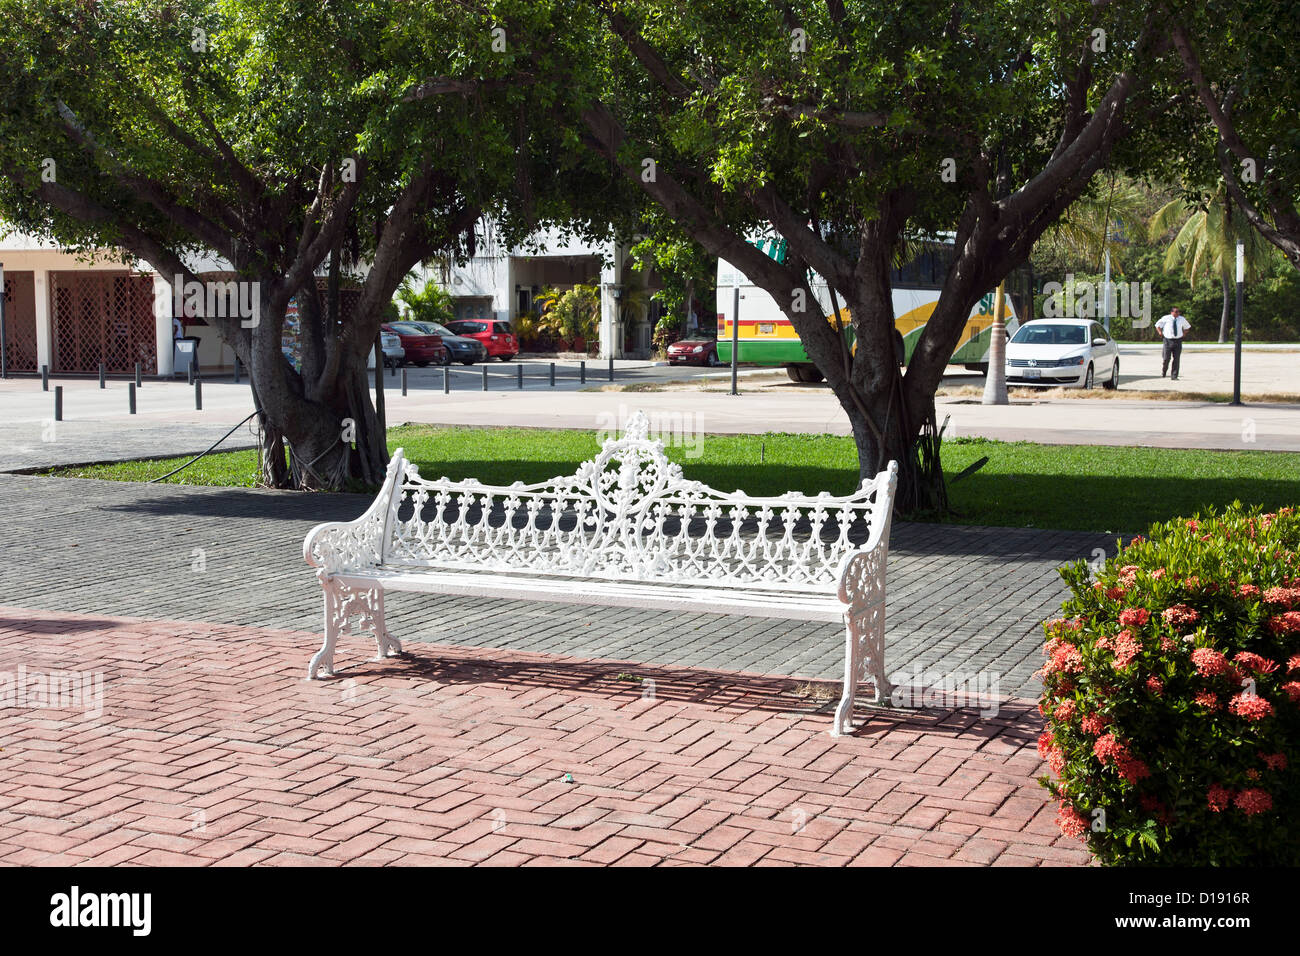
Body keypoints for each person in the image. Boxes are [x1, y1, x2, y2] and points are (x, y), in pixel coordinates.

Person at [1156, 306, 1189, 380]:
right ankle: (1164, 370)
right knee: (1166, 358)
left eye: (1178, 312)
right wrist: (1159, 332)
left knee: (1176, 359)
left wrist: (1184, 334)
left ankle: (1174, 376)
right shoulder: (1166, 318)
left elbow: (1187, 327)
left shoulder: (1182, 319)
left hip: (1178, 341)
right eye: (1176, 311)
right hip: (1168, 340)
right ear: (1172, 312)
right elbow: (1157, 325)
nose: (1177, 313)